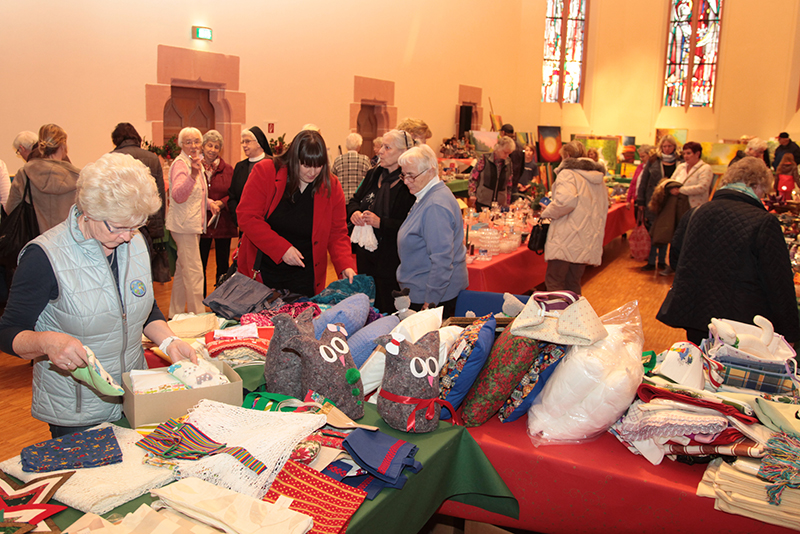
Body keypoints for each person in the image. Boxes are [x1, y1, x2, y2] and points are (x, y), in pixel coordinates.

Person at [0, 153, 196, 438]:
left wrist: (169, 342)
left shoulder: (135, 242)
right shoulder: (44, 256)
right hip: (77, 412)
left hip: (133, 396)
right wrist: (47, 342)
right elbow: (8, 331)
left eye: (135, 226)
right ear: (88, 211)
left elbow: (144, 309)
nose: (128, 237)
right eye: (118, 227)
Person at [658, 157, 800, 346]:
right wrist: (791, 334)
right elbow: (778, 282)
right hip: (742, 324)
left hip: (696, 314)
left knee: (702, 369)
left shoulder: (695, 213)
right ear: (757, 186)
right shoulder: (764, 222)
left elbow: (676, 259)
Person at [236, 130, 355, 297]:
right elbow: (247, 217)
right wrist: (282, 249)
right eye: (306, 165)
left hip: (305, 275)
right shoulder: (266, 171)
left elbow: (337, 233)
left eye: (318, 166)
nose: (313, 172)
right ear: (294, 159)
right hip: (265, 270)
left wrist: (345, 265)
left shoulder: (331, 185)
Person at [347, 130, 416, 313]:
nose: (380, 151)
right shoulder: (374, 174)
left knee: (388, 307)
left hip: (391, 259)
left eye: (387, 147)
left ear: (403, 152)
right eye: (381, 147)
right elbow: (354, 200)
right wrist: (355, 212)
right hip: (366, 255)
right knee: (367, 304)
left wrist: (381, 223)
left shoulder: (409, 182)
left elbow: (411, 225)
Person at [396, 144, 468, 318]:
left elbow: (442, 259)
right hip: (426, 291)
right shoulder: (428, 195)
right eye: (404, 175)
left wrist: (430, 302)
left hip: (432, 296)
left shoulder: (435, 205)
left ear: (431, 171)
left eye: (411, 176)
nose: (406, 181)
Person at [541, 141, 607, 294]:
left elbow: (565, 201)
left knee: (555, 282)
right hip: (585, 238)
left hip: (565, 237)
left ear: (568, 156)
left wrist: (547, 212)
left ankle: (556, 317)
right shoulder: (597, 177)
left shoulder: (567, 173)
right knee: (573, 283)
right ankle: (574, 317)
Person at [166, 127, 219, 317]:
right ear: (181, 145)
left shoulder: (194, 162)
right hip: (184, 226)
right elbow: (178, 195)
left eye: (196, 141)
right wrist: (194, 175)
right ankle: (198, 316)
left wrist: (209, 203)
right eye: (188, 142)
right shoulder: (181, 165)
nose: (193, 145)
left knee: (183, 270)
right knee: (195, 273)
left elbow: (196, 195)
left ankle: (176, 313)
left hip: (190, 225)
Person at [7, 124, 80, 233]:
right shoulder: (79, 177)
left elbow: (10, 210)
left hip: (35, 242)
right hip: (70, 242)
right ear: (63, 145)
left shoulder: (24, 174)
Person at [110, 122, 166, 242]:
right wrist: (159, 223)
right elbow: (160, 193)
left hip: (123, 221)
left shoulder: (112, 159)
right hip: (148, 221)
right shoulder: (153, 158)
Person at [199, 130, 236, 294]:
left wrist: (222, 203)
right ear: (203, 146)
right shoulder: (195, 168)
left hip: (222, 222)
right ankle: (200, 298)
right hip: (201, 223)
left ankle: (220, 297)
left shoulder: (228, 169)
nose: (212, 150)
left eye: (216, 147)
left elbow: (234, 193)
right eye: (209, 145)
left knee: (222, 263)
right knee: (200, 263)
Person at [635, 134, 680, 271]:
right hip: (653, 199)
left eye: (669, 146)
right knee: (653, 229)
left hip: (671, 201)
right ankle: (651, 260)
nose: (667, 149)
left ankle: (661, 261)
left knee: (665, 229)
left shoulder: (680, 161)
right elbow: (644, 181)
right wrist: (641, 200)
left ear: (674, 147)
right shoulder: (654, 160)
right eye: (664, 146)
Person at [228, 126, 272, 229]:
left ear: (259, 143)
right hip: (244, 224)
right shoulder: (240, 167)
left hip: (267, 224)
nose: (244, 145)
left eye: (247, 141)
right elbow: (232, 196)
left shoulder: (273, 164)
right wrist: (238, 220)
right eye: (242, 142)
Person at [469, 136, 516, 210]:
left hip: (500, 204)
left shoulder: (508, 162)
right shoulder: (484, 159)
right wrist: (472, 194)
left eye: (509, 154)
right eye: (505, 152)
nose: (507, 156)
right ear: (498, 148)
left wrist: (507, 202)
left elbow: (509, 184)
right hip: (483, 202)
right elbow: (473, 177)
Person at [333, 133, 371, 201]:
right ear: (359, 146)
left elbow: (332, 178)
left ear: (346, 146)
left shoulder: (338, 160)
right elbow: (370, 178)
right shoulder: (365, 159)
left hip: (341, 197)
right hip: (358, 198)